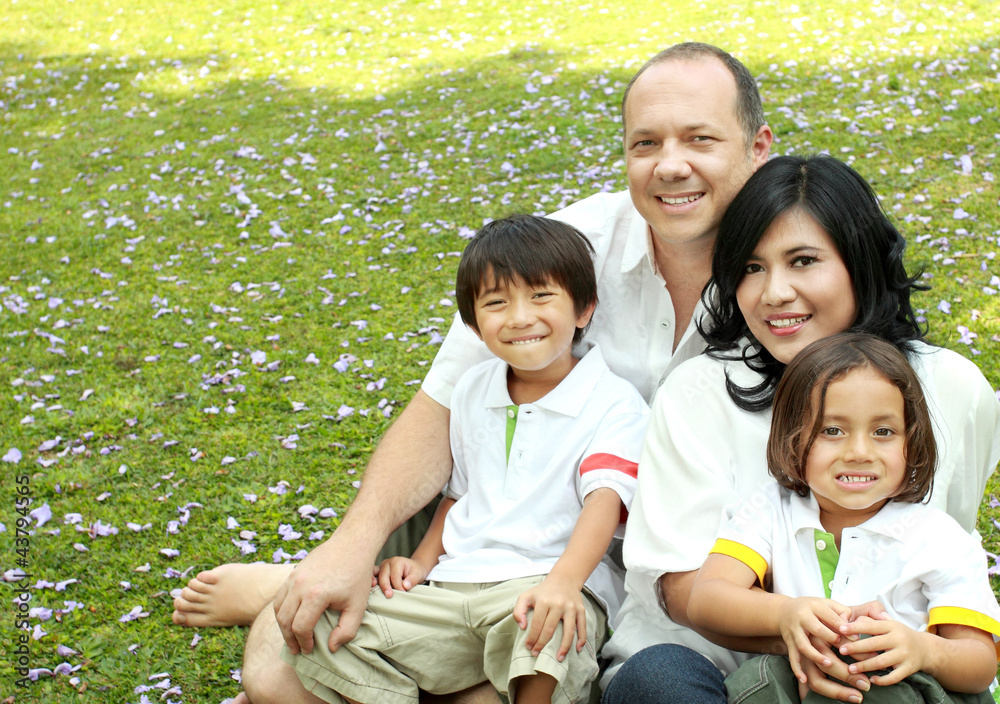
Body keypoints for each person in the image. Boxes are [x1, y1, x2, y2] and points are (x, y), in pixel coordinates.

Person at [172, 40, 773, 704]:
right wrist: (351, 544)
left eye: (700, 139)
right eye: (645, 144)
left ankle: (301, 590)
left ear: (758, 146)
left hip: (666, 575)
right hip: (517, 539)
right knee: (273, 671)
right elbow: (441, 408)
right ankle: (320, 583)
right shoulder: (565, 252)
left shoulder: (795, 267)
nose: (670, 166)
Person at [601, 155, 1000, 703]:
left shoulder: (953, 386)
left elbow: (946, 544)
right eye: (752, 267)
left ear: (859, 264)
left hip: (884, 678)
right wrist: (807, 630)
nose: (774, 293)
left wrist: (899, 649)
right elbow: (682, 590)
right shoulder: (698, 391)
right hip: (718, 669)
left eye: (804, 260)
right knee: (658, 681)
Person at [252, 214, 649, 704]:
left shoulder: (615, 401)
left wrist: (565, 582)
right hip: (452, 585)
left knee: (551, 630)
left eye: (541, 296)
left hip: (545, 580)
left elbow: (604, 503)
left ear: (583, 309)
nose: (520, 317)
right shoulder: (472, 389)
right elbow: (460, 494)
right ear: (474, 324)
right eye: (497, 303)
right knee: (327, 625)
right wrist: (422, 562)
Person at [688, 332, 1000, 703]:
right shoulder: (769, 510)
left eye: (883, 431)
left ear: (911, 441)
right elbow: (706, 600)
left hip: (902, 693)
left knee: (870, 671)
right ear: (792, 437)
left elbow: (980, 665)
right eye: (832, 430)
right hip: (804, 687)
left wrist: (923, 649)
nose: (859, 452)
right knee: (767, 678)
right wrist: (787, 613)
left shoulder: (940, 538)